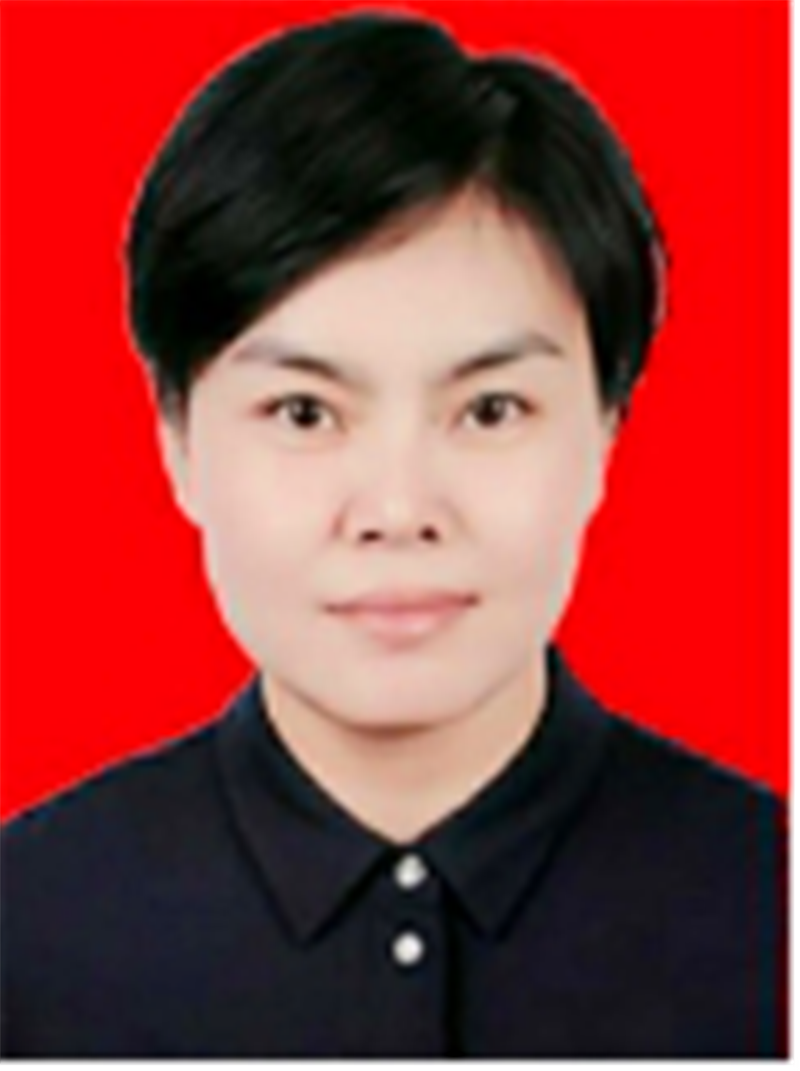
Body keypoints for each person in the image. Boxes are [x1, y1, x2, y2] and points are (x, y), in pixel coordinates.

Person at [1, 8, 786, 1058]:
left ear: (607, 430)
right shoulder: (28, 926)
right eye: (304, 413)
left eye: (490, 410)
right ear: (177, 441)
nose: (398, 509)